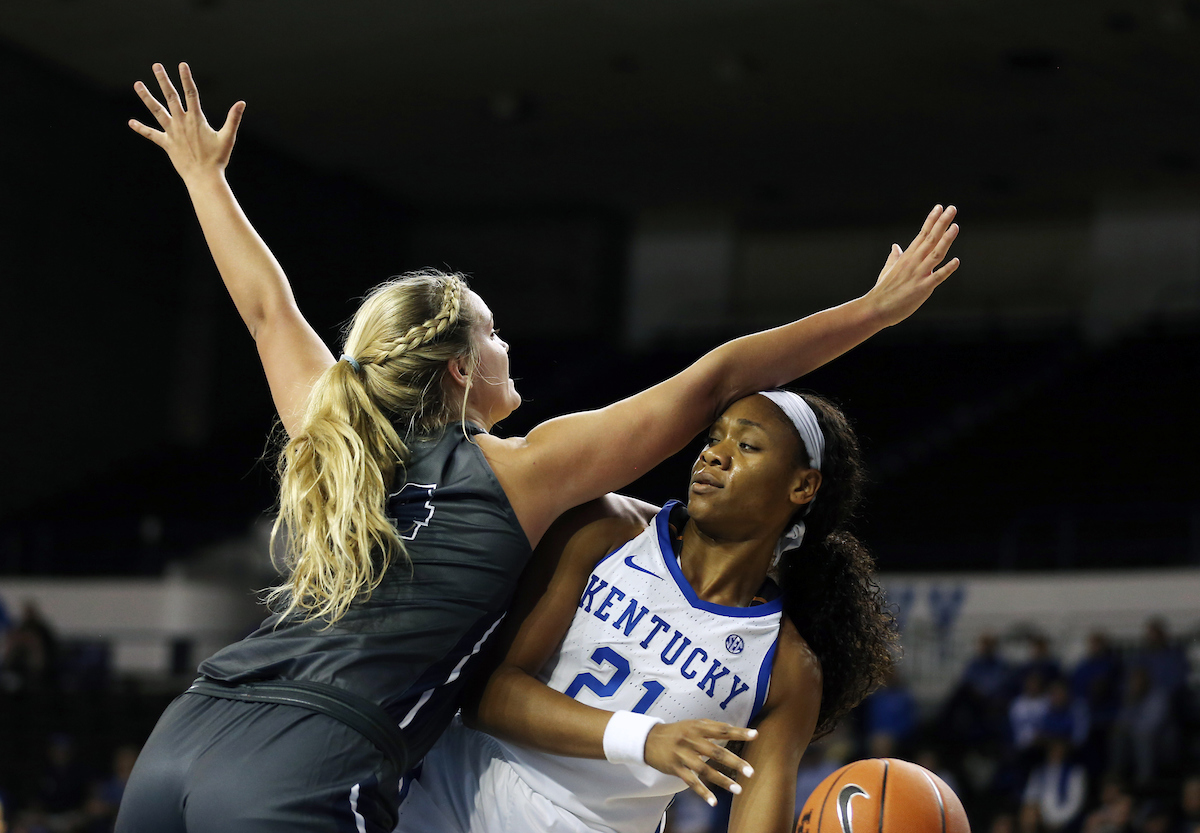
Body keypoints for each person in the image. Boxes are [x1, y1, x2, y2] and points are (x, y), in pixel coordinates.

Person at [119, 62, 960, 833]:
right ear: (458, 369)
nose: (507, 344)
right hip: (311, 756)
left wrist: (204, 178)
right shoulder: (523, 472)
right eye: (492, 332)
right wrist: (872, 314)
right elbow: (712, 379)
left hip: (189, 730)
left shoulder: (336, 434)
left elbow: (270, 310)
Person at [395, 391, 897, 833]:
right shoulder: (607, 529)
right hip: (451, 795)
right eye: (714, 437)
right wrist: (646, 738)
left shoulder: (788, 670)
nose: (714, 455)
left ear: (802, 487)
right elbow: (487, 695)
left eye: (746, 446)